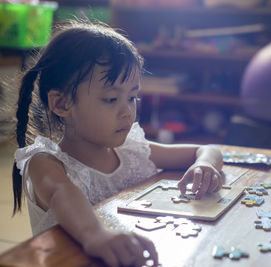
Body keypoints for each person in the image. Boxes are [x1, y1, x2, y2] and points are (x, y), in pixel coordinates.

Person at [12, 20, 223, 267]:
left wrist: (206, 164)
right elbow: (62, 192)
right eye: (112, 99)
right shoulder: (44, 163)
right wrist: (96, 235)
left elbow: (205, 149)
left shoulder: (129, 151)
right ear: (61, 104)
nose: (127, 111)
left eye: (132, 97)